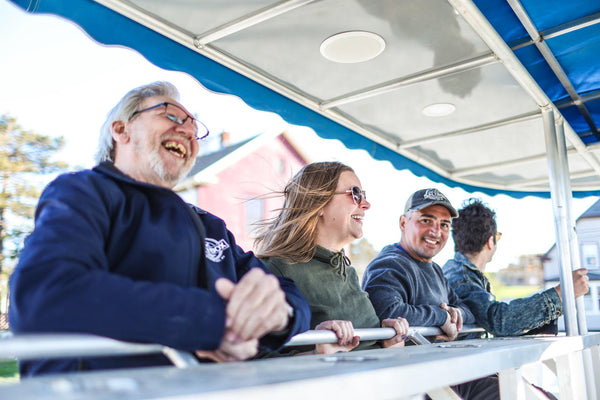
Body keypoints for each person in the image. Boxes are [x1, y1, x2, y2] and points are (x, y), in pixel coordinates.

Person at [8, 81, 310, 376]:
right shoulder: (82, 192)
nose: (189, 131)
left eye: (195, 127)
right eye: (171, 115)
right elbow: (48, 292)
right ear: (121, 129)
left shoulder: (209, 226)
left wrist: (278, 314)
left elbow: (289, 295)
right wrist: (211, 322)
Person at [255, 161, 408, 354]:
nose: (366, 204)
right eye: (355, 194)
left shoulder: (347, 271)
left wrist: (389, 341)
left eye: (364, 195)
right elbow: (256, 361)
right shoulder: (275, 270)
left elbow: (367, 350)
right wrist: (316, 354)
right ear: (319, 204)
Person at [443, 198, 589, 337]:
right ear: (490, 241)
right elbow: (500, 321)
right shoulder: (462, 278)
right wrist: (561, 293)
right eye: (497, 236)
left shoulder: (461, 274)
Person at [362, 188, 475, 342]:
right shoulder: (390, 264)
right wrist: (441, 317)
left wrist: (456, 314)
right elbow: (387, 312)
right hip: (402, 364)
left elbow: (468, 310)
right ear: (403, 223)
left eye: (444, 225)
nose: (435, 232)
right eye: (426, 221)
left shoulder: (435, 270)